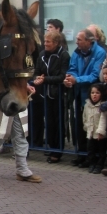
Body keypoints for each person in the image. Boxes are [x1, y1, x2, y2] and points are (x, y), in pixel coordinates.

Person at [64, 29, 106, 167]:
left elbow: (95, 75)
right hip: (78, 94)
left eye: (79, 40)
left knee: (91, 127)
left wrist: (77, 79)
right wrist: (70, 77)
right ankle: (80, 154)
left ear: (89, 41)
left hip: (91, 95)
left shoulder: (99, 53)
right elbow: (72, 68)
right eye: (76, 39)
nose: (76, 42)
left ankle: (91, 158)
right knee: (79, 125)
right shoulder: (77, 52)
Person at [33, 30, 70, 163]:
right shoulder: (42, 55)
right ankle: (51, 147)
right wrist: (37, 78)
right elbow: (37, 71)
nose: (45, 44)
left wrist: (45, 79)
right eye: (45, 41)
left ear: (55, 43)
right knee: (49, 122)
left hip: (59, 95)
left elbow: (62, 76)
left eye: (48, 42)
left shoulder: (64, 55)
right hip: (46, 94)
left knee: (58, 122)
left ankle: (58, 151)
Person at [83, 83, 107, 174]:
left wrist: (101, 132)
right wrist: (86, 126)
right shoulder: (87, 105)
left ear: (101, 94)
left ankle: (100, 165)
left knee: (102, 150)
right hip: (90, 131)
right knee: (90, 149)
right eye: (92, 93)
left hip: (99, 133)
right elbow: (85, 117)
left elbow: (103, 119)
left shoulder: (103, 105)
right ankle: (92, 164)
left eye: (97, 93)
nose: (94, 95)